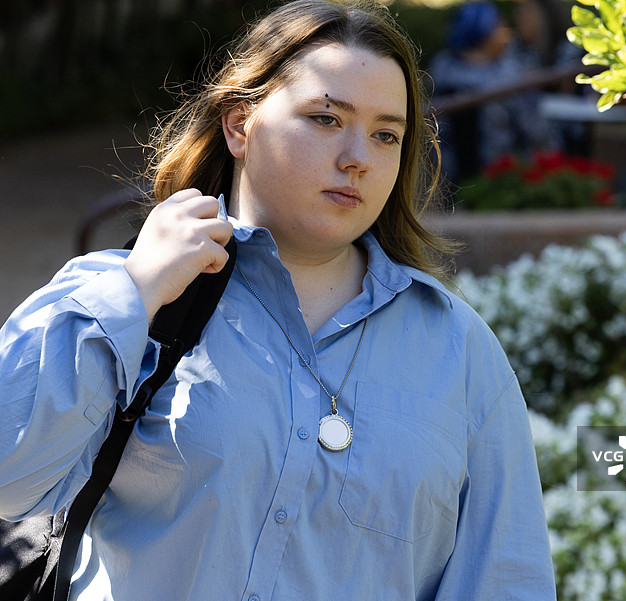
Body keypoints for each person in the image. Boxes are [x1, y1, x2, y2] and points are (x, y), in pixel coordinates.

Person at [0, 1, 556, 599]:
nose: (358, 158)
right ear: (241, 125)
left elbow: (504, 578)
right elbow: (10, 478)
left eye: (385, 134)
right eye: (325, 118)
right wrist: (133, 292)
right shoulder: (125, 298)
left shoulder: (461, 351)